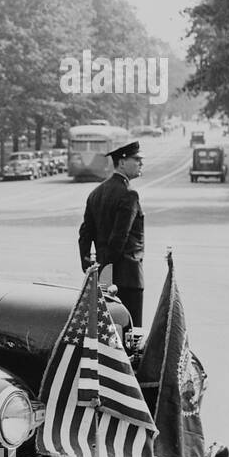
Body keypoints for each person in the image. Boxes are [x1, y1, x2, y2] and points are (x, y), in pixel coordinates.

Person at [78, 139, 146, 325]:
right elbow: (120, 236)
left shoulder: (96, 193)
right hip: (128, 277)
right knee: (129, 333)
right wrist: (108, 265)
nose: (141, 163)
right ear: (122, 162)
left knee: (105, 334)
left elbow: (85, 233)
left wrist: (90, 264)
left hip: (102, 276)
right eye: (136, 159)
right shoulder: (129, 194)